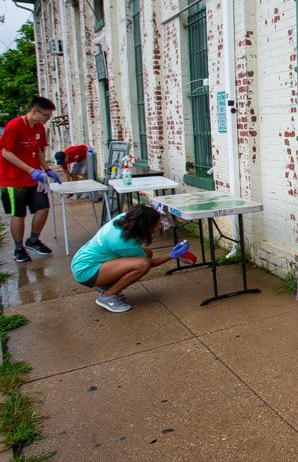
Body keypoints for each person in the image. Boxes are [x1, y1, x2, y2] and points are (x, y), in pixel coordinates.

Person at [70, 204, 191, 313]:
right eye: (156, 225)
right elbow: (148, 264)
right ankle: (108, 296)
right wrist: (171, 256)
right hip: (86, 271)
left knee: (147, 253)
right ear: (144, 226)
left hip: (84, 260)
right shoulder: (122, 242)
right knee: (142, 264)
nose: (158, 227)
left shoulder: (126, 218)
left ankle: (105, 284)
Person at [0, 96, 61, 262]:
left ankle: (33, 240)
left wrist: (47, 169)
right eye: (46, 115)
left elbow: (38, 150)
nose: (48, 119)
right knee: (18, 214)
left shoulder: (39, 128)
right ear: (34, 111)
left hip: (35, 179)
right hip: (13, 179)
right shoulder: (14, 126)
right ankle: (19, 248)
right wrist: (30, 170)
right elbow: (6, 152)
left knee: (43, 208)